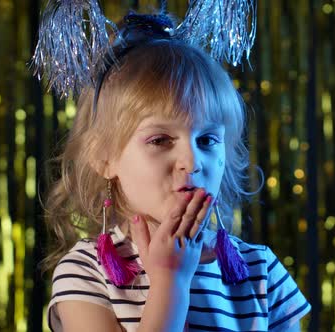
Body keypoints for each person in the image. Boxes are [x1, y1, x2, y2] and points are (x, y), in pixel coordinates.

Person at [35, 4, 310, 332]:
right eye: (160, 140)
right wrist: (169, 283)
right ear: (104, 156)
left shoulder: (261, 271)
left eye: (207, 140)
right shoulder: (85, 273)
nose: (192, 162)